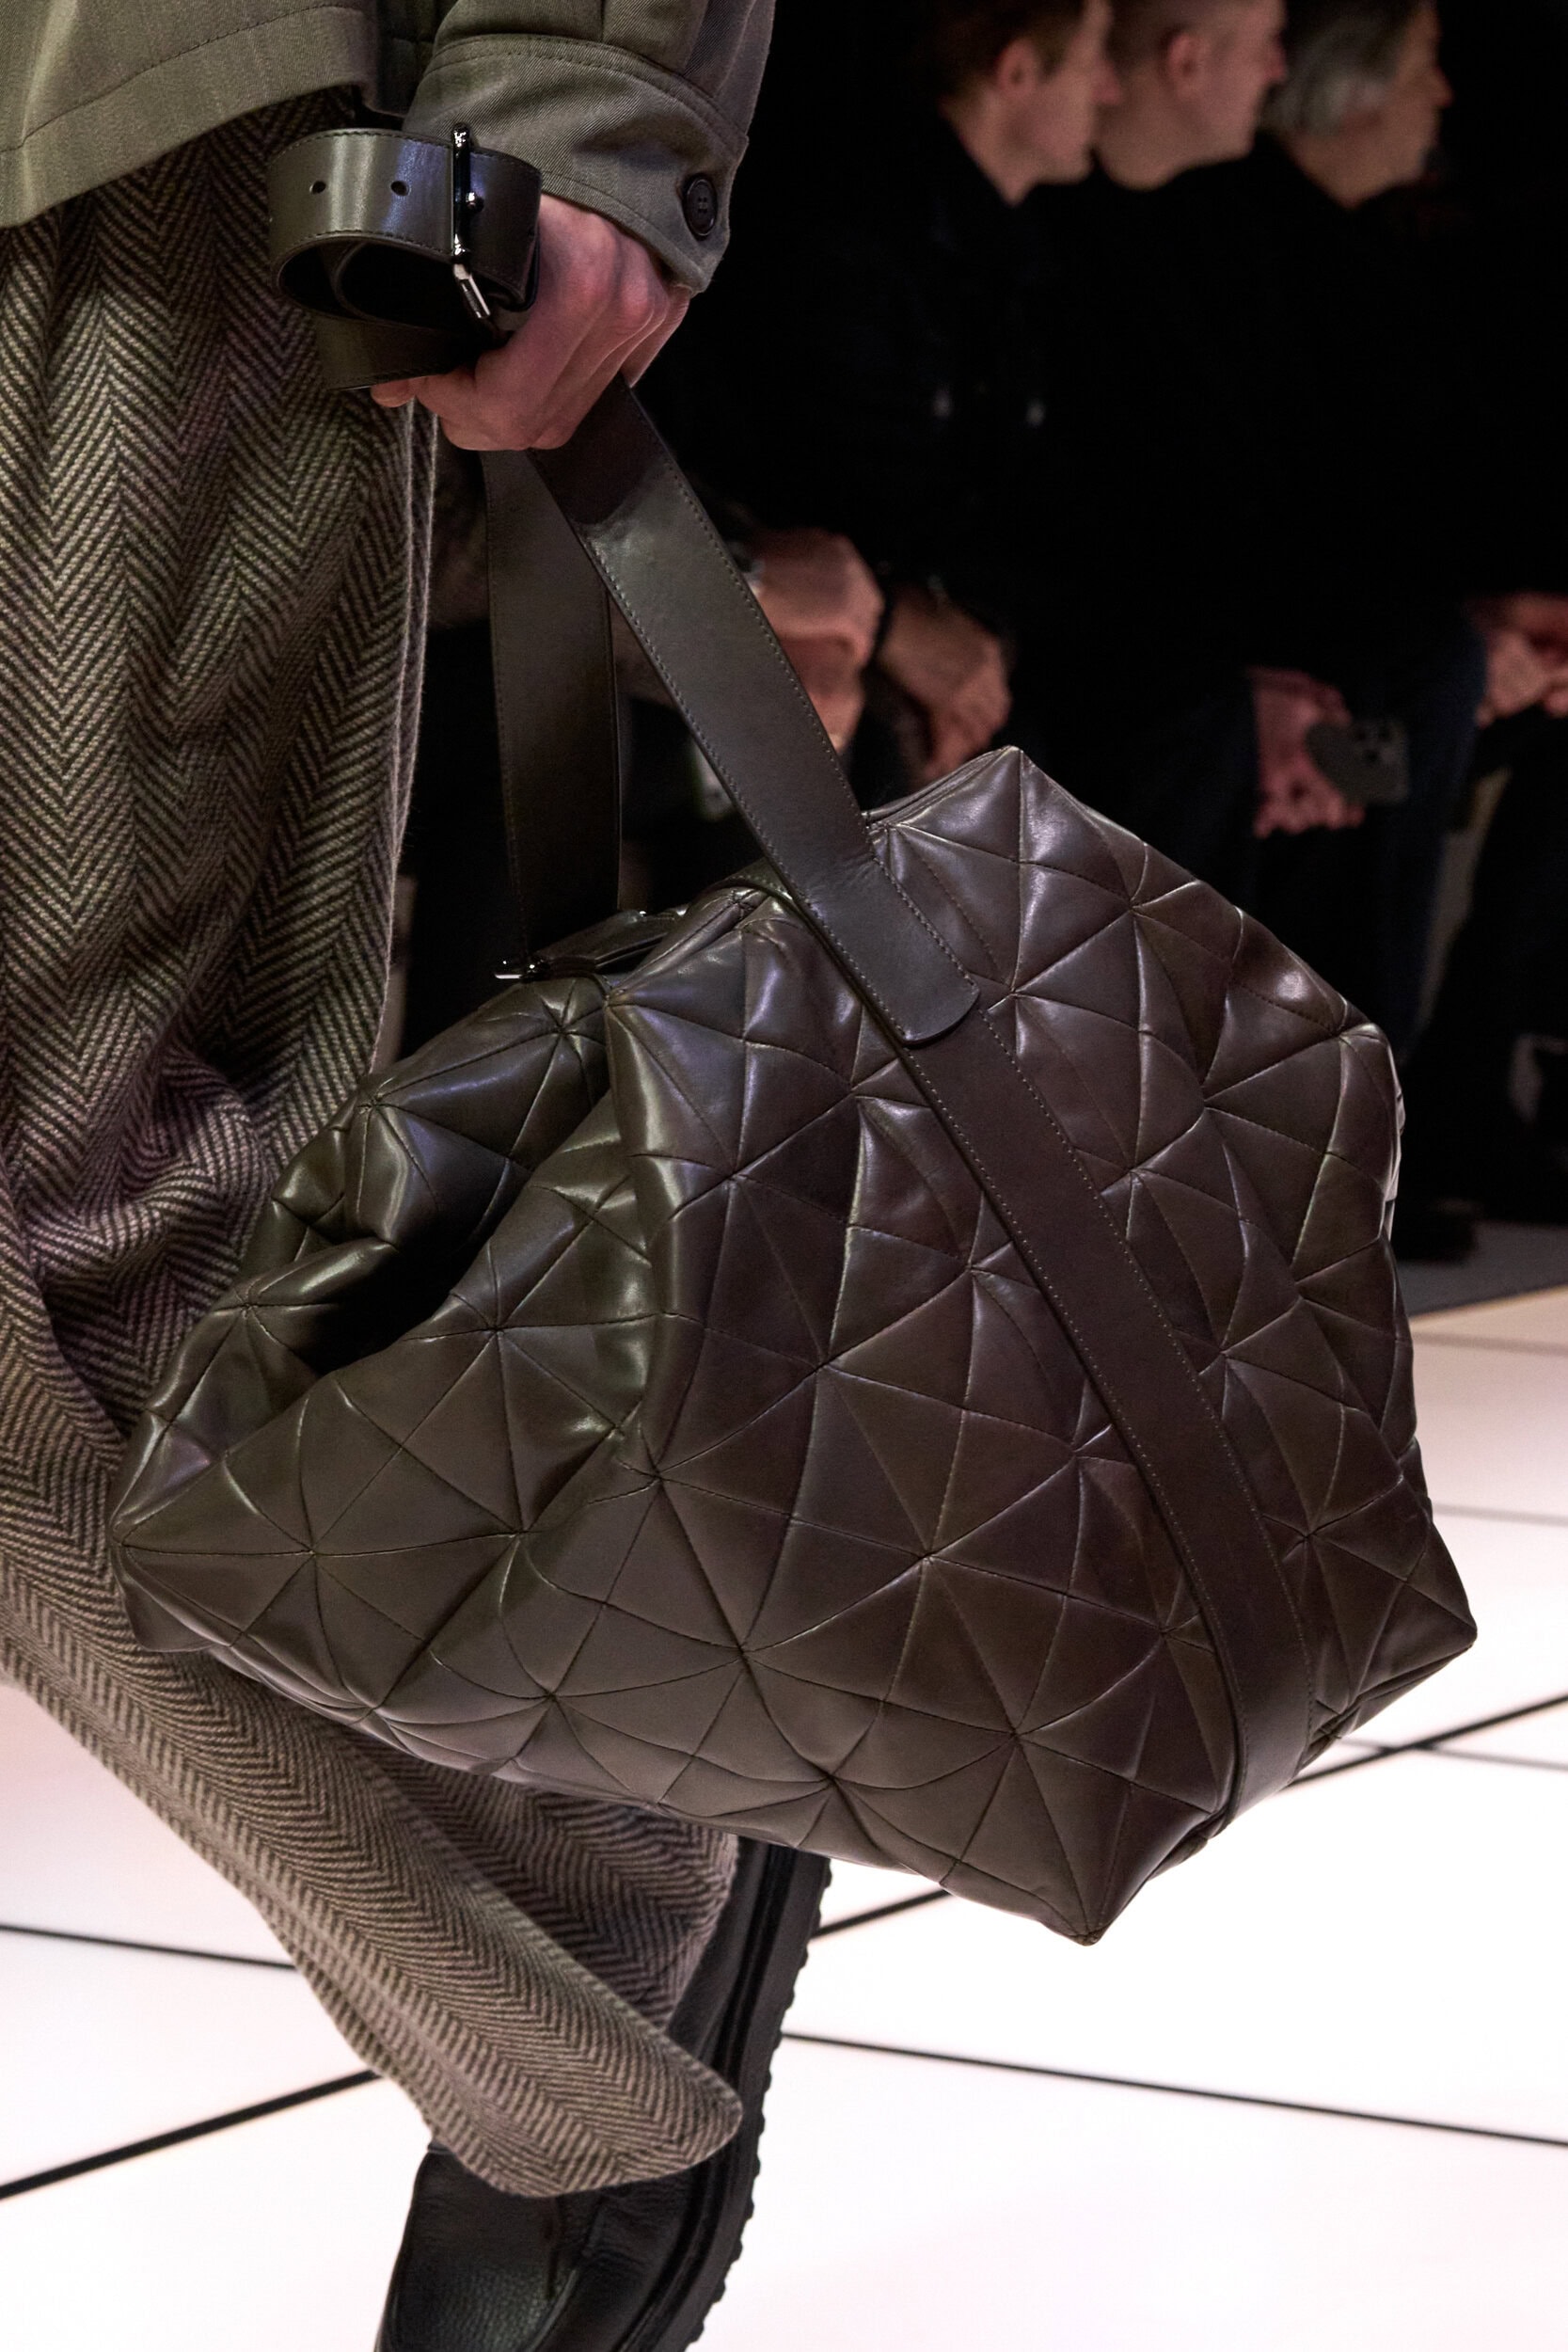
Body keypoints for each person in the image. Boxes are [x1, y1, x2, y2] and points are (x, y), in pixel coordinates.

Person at [0, 8, 832, 2350]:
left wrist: (587, 70)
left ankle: (597, 1920)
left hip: (117, 131)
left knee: (57, 1223)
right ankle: (618, 1830)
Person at [648, 0, 1122, 790]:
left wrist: (975, 645)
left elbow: (1028, 519)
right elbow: (812, 491)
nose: (1111, 89)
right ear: (1015, 71)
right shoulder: (853, 238)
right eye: (1094, 58)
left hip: (913, 640)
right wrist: (911, 629)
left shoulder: (1016, 262)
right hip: (817, 630)